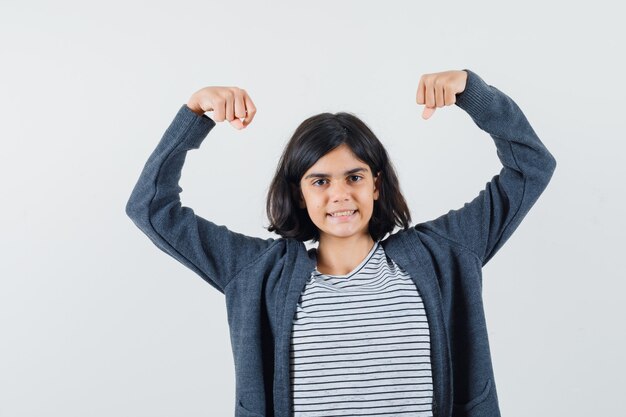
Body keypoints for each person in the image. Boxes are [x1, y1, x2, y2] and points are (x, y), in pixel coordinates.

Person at [125, 69, 556, 417]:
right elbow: (149, 207)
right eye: (320, 181)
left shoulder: (441, 254)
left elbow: (531, 168)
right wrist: (195, 114)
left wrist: (473, 93)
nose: (340, 195)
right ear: (300, 193)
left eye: (354, 177)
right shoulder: (257, 272)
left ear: (375, 186)